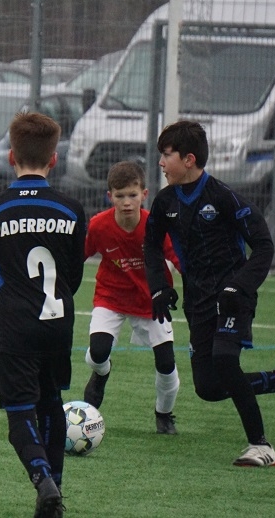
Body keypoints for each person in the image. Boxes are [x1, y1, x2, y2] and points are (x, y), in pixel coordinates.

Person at [143, 120, 275, 467]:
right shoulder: (165, 202)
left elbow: (264, 246)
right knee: (208, 388)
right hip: (198, 302)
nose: (160, 163)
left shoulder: (223, 197)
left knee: (225, 359)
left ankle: (261, 446)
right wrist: (159, 286)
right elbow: (151, 246)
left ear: (189, 159)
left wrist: (240, 286)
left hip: (234, 298)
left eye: (166, 155)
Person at [0, 112, 86, 518]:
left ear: (11, 156)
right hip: (58, 323)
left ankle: (43, 480)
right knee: (52, 403)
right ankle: (53, 501)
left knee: (20, 412)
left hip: (16, 324)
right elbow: (74, 276)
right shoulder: (72, 210)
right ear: (54, 159)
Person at [82, 160, 182, 434]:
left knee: (166, 363)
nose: (127, 202)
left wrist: (198, 281)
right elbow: (79, 255)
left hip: (151, 300)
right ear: (109, 196)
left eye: (132, 195)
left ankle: (164, 414)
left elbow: (177, 257)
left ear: (144, 194)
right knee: (98, 352)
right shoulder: (99, 225)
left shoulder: (155, 226)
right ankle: (101, 373)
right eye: (120, 195)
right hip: (110, 298)